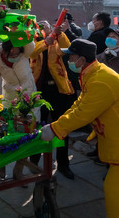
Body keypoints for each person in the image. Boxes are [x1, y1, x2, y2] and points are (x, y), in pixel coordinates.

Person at [40, 39, 119, 217]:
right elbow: (80, 104)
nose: (68, 61)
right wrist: (57, 125)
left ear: (81, 60)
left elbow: (83, 113)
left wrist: (54, 129)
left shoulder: (100, 80)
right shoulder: (94, 74)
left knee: (117, 191)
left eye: (71, 57)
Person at [30, 21, 76, 180]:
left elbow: (67, 49)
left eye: (46, 25)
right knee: (36, 126)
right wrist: (45, 42)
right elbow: (31, 53)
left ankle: (63, 164)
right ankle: (34, 161)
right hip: (38, 90)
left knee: (62, 126)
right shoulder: (32, 41)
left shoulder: (57, 40)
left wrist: (60, 33)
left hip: (58, 90)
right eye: (40, 25)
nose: (43, 27)